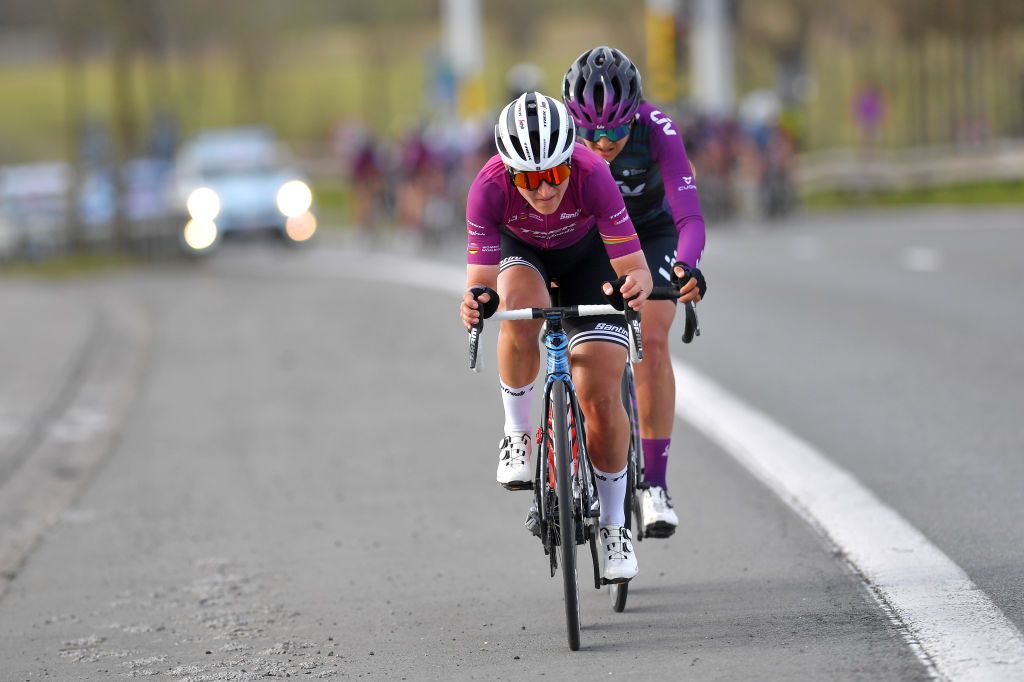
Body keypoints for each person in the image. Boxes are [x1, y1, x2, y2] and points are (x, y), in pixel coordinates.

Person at [459, 92, 654, 583]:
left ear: (570, 162)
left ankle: (613, 526)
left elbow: (635, 269)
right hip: (525, 254)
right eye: (529, 178)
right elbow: (481, 282)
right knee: (519, 313)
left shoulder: (593, 174)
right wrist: (476, 303)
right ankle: (517, 434)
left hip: (591, 261)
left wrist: (633, 288)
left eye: (555, 175)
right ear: (508, 172)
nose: (545, 190)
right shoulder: (486, 189)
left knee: (599, 394)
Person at [562, 46, 708, 539]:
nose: (602, 141)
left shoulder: (657, 129)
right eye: (591, 131)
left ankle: (655, 486)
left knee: (652, 334)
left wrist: (687, 265)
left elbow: (689, 217)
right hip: (593, 235)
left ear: (635, 116)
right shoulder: (563, 137)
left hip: (651, 233)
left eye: (616, 130)